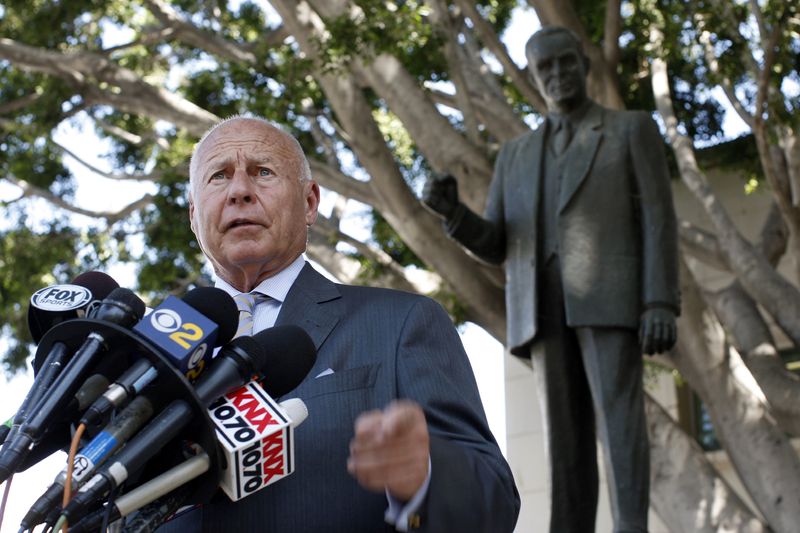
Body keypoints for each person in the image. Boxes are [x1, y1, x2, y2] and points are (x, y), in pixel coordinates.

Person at [156, 115, 519, 532]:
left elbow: (494, 503)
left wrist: (426, 476)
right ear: (193, 215)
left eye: (263, 172)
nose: (240, 190)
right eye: (219, 176)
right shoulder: (148, 354)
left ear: (309, 203)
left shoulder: (401, 324)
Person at [422, 26, 679, 533]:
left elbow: (658, 217)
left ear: (584, 64)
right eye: (546, 68)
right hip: (539, 307)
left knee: (620, 424)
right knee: (564, 439)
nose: (558, 75)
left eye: (566, 62)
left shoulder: (630, 130)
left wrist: (659, 302)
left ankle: (633, 527)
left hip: (611, 300)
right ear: (534, 78)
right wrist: (454, 215)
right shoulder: (516, 155)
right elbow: (498, 242)